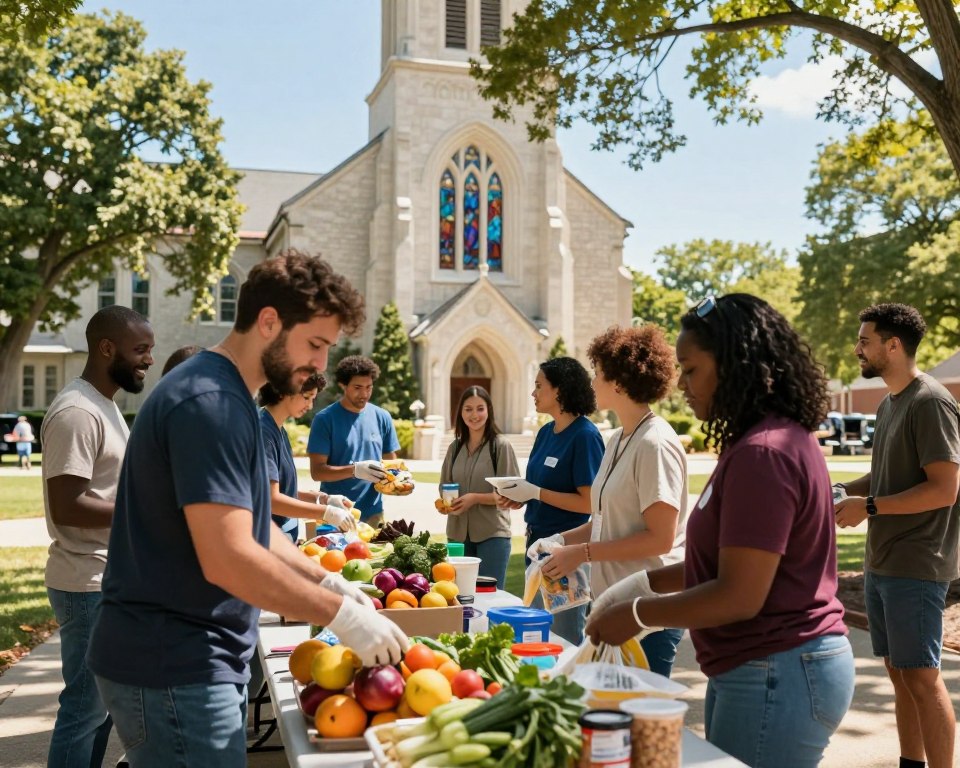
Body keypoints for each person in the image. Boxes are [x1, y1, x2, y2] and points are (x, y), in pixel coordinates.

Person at [87, 252, 408, 768]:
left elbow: (257, 526)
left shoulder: (228, 396)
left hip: (190, 657)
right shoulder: (209, 402)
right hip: (173, 660)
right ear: (269, 323)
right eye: (316, 344)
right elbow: (229, 558)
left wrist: (325, 581)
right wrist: (340, 615)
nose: (321, 365)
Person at [587, 294, 853, 768]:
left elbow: (738, 595)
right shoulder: (759, 441)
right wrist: (641, 583)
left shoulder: (763, 453)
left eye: (690, 370)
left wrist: (637, 613)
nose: (681, 386)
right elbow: (720, 562)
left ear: (734, 364)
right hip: (763, 666)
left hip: (779, 668)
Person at [836, 303, 959, 768]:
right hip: (882, 561)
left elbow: (945, 488)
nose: (858, 349)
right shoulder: (891, 402)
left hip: (918, 562)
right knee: (900, 675)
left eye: (865, 341)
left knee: (923, 679)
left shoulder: (930, 401)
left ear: (894, 345)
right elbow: (888, 474)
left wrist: (867, 506)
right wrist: (848, 490)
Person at [532, 325, 689, 677]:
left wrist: (583, 554)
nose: (592, 383)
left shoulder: (655, 443)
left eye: (598, 374)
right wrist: (561, 541)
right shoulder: (618, 438)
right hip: (612, 605)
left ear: (618, 382)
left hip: (647, 614)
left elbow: (659, 538)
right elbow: (603, 520)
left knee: (638, 724)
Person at [41, 305, 154, 768]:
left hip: (107, 578)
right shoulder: (76, 411)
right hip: (86, 583)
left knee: (103, 710)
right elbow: (67, 504)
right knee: (84, 711)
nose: (148, 359)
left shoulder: (103, 404)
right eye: (140, 349)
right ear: (107, 348)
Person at [497, 356, 604, 644]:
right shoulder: (545, 432)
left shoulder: (585, 436)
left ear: (558, 391)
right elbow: (538, 488)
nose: (533, 393)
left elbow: (588, 504)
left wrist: (536, 493)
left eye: (538, 386)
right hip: (535, 547)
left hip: (565, 554)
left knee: (564, 638)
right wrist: (520, 497)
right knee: (535, 635)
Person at [259, 372, 357, 543]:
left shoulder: (278, 428)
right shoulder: (263, 432)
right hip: (266, 542)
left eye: (313, 399)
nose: (310, 406)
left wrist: (322, 499)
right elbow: (271, 499)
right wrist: (326, 512)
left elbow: (284, 490)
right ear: (284, 391)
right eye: (306, 397)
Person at [439, 385, 520, 588]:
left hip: (492, 536)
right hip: (457, 536)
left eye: (480, 408)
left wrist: (474, 498)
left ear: (489, 410)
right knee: (458, 599)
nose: (474, 415)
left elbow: (512, 493)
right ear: (460, 413)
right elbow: (444, 485)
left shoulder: (500, 446)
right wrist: (446, 502)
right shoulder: (454, 447)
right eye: (468, 409)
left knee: (489, 598)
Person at [308, 355, 400, 528]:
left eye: (369, 387)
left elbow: (391, 464)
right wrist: (355, 470)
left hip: (374, 513)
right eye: (357, 387)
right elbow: (317, 472)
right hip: (335, 512)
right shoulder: (324, 419)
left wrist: (401, 480)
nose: (364, 394)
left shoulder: (382, 417)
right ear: (343, 385)